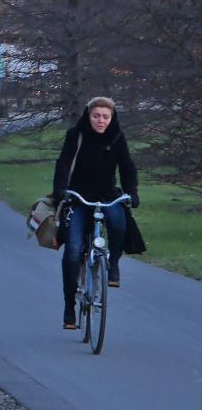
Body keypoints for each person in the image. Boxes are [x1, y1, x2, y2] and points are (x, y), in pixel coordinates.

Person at [53, 97, 138, 330]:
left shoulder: (117, 137)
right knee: (72, 251)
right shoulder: (76, 135)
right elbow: (63, 164)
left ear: (112, 118)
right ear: (88, 115)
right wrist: (60, 190)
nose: (101, 121)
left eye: (105, 117)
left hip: (107, 196)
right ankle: (69, 307)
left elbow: (127, 166)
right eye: (96, 116)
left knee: (119, 224)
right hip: (79, 197)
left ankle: (113, 264)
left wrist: (132, 192)